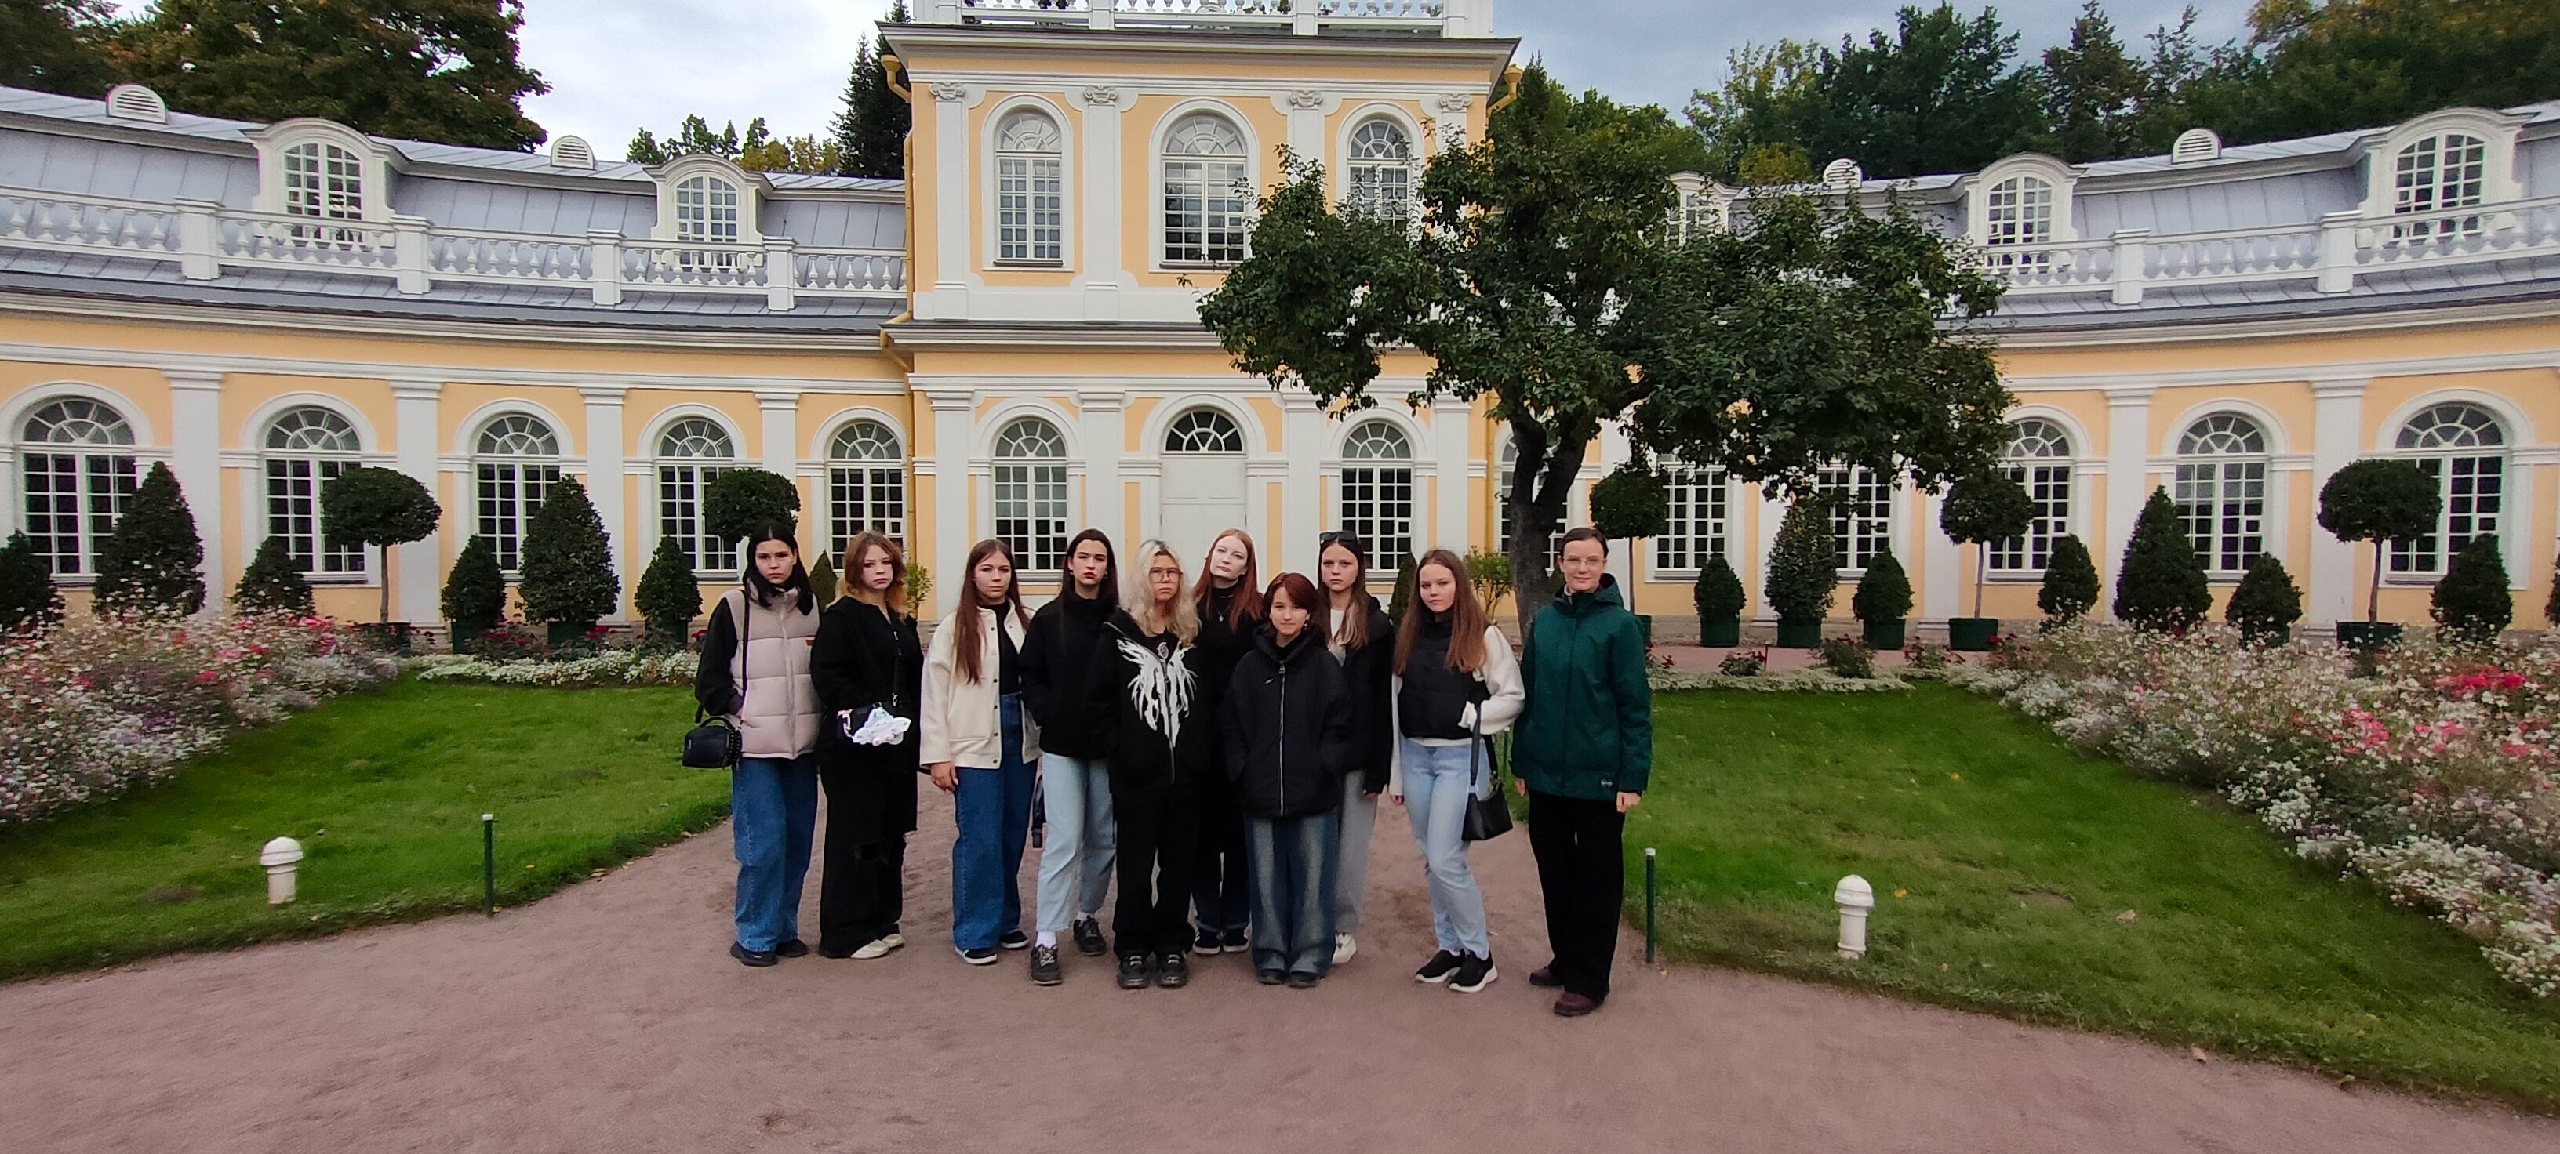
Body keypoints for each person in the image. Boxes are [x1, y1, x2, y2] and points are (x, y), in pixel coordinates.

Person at [1513, 528, 1652, 1016]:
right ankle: (1566, 955)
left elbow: (1635, 707)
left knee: (1597, 879)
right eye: (1573, 559)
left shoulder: (1620, 627)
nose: (1581, 568)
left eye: (1591, 560)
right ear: (1561, 563)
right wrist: (1523, 763)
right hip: (1548, 774)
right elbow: (1528, 697)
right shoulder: (1546, 622)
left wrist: (1632, 778)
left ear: (1603, 563)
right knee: (1555, 872)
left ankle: (1590, 978)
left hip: (1600, 779)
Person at [1388, 548, 1524, 994]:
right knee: (1435, 859)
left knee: (1447, 858)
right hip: (1416, 756)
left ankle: (1480, 954)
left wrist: (1471, 715)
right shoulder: (1408, 635)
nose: (1433, 592)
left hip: (1459, 760)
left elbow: (1512, 695)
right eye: (1426, 585)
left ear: (1458, 585)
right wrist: (1396, 771)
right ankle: (1450, 948)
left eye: (1442, 583)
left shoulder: (1482, 637)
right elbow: (1395, 701)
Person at [694, 526, 824, 968]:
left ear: (794, 557)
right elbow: (709, 677)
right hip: (755, 747)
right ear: (754, 562)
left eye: (781, 555)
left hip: (804, 746)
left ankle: (783, 926)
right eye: (765, 557)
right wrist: (739, 708)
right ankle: (754, 932)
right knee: (762, 843)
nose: (774, 564)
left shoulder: (812, 607)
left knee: (798, 842)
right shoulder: (734, 608)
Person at [1222, 571, 1354, 988]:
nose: (1287, 615)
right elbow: (1231, 724)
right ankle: (1271, 950)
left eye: (1296, 607)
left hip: (1313, 790)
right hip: (1259, 789)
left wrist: (1323, 766)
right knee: (1265, 876)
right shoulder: (1249, 666)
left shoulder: (1323, 665)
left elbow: (1339, 725)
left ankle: (1312, 952)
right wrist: (1241, 769)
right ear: (1269, 611)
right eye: (1279, 606)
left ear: (1308, 615)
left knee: (1314, 873)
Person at [921, 538, 1042, 965]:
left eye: (1004, 570)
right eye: (988, 569)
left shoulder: (1023, 623)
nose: (996, 577)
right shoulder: (955, 626)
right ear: (973, 574)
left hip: (1018, 738)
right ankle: (974, 929)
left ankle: (1006, 919)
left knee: (1012, 835)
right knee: (980, 838)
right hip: (972, 743)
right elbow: (934, 694)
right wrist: (939, 754)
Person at [810, 531, 923, 961]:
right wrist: (871, 711)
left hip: (895, 746)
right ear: (855, 570)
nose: (879, 572)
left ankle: (881, 918)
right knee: (854, 837)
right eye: (870, 565)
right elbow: (829, 676)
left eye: (886, 564)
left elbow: (911, 675)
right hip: (854, 746)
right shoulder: (842, 617)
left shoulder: (899, 618)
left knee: (891, 834)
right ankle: (844, 930)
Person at [1099, 540, 1206, 990]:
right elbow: (1099, 703)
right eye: (1157, 572)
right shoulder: (1117, 632)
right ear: (1142, 577)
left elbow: (1205, 702)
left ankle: (1173, 943)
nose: (1165, 579)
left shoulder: (1189, 633)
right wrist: (1123, 751)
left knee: (1179, 863)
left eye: (1173, 573)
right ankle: (1133, 946)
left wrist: (1198, 754)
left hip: (1185, 774)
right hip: (1137, 776)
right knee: (1137, 864)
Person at [1020, 529, 1120, 985]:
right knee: (1063, 840)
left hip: (1106, 748)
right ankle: (1045, 938)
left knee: (1103, 837)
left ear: (1107, 566)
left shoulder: (1119, 620)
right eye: (1084, 557)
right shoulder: (1048, 618)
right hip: (1061, 747)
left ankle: (1086, 914)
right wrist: (1048, 712)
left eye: (1099, 558)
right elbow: (1031, 675)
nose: (1091, 566)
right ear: (1069, 563)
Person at [1315, 532, 1394, 965]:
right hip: (1314, 751)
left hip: (1359, 751)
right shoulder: (1308, 616)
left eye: (1344, 564)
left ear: (1358, 569)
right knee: (1314, 839)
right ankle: (1312, 917)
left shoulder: (1377, 626)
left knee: (1350, 846)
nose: (1335, 572)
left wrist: (1379, 768)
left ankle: (1343, 925)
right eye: (1329, 564)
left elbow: (1383, 701)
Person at [1187, 529, 1262, 956]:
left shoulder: (1257, 610)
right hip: (1197, 735)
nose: (1226, 559)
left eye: (1237, 555)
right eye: (1221, 550)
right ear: (1209, 554)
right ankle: (1207, 920)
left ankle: (1236, 920)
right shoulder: (1190, 605)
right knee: (1199, 835)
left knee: (1237, 834)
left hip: (1241, 734)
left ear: (1246, 566)